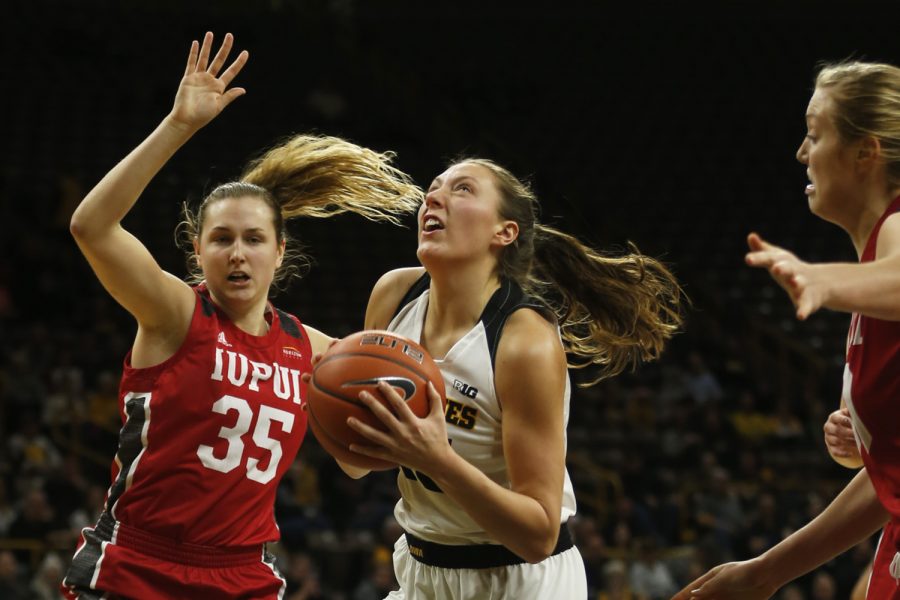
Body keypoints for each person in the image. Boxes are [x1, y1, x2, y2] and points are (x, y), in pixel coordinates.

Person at [61, 32, 421, 599]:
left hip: (242, 576)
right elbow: (91, 227)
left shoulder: (313, 350)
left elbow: (359, 460)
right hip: (138, 565)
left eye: (254, 239)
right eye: (221, 238)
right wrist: (177, 127)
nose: (237, 252)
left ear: (279, 252)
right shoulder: (175, 313)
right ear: (197, 250)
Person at [326, 157, 684, 598]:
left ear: (504, 232)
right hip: (423, 571)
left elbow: (537, 535)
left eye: (462, 189)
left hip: (517, 580)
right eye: (434, 187)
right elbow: (355, 463)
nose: (433, 196)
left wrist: (437, 459)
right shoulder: (394, 294)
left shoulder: (523, 342)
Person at [673, 60, 900, 599]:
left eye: (815, 135)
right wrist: (764, 573)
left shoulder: (895, 229)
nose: (802, 152)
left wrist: (819, 279)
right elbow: (886, 485)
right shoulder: (871, 272)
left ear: (865, 152)